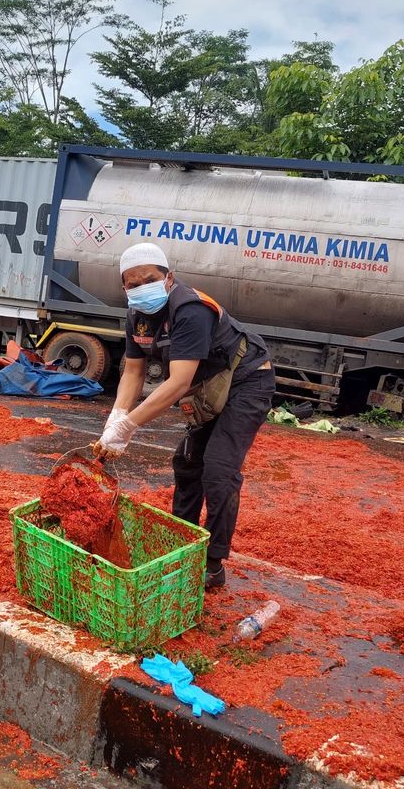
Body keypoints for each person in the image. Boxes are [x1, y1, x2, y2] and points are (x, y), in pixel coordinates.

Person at [92, 243, 275, 590]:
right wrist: (114, 419)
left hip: (248, 380)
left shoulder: (190, 310)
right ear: (124, 287)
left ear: (169, 277)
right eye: (132, 284)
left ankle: (213, 563)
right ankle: (180, 545)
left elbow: (177, 383)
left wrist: (129, 427)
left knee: (218, 468)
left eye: (148, 279)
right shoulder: (137, 316)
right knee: (188, 463)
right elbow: (133, 373)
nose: (140, 288)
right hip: (211, 385)